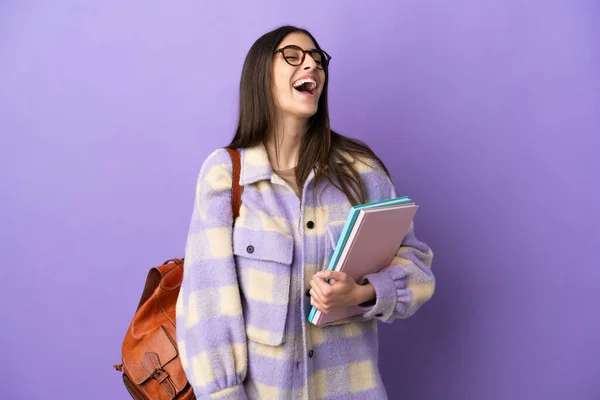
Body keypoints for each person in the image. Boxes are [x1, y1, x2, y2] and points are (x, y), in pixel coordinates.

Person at [175, 25, 435, 400]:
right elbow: (208, 303)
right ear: (261, 75)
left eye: (318, 59)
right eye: (293, 56)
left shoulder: (361, 171)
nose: (311, 65)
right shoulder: (226, 176)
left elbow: (418, 267)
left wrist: (361, 293)